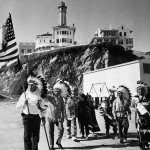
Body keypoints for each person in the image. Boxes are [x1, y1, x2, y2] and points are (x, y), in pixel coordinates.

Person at [16, 74, 47, 150]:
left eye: (32, 85)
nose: (30, 86)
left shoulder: (38, 96)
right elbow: (17, 106)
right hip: (27, 117)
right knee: (27, 137)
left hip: (36, 117)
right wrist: (24, 102)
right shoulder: (24, 95)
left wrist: (43, 117)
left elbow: (43, 107)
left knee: (36, 137)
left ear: (35, 86)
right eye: (29, 85)